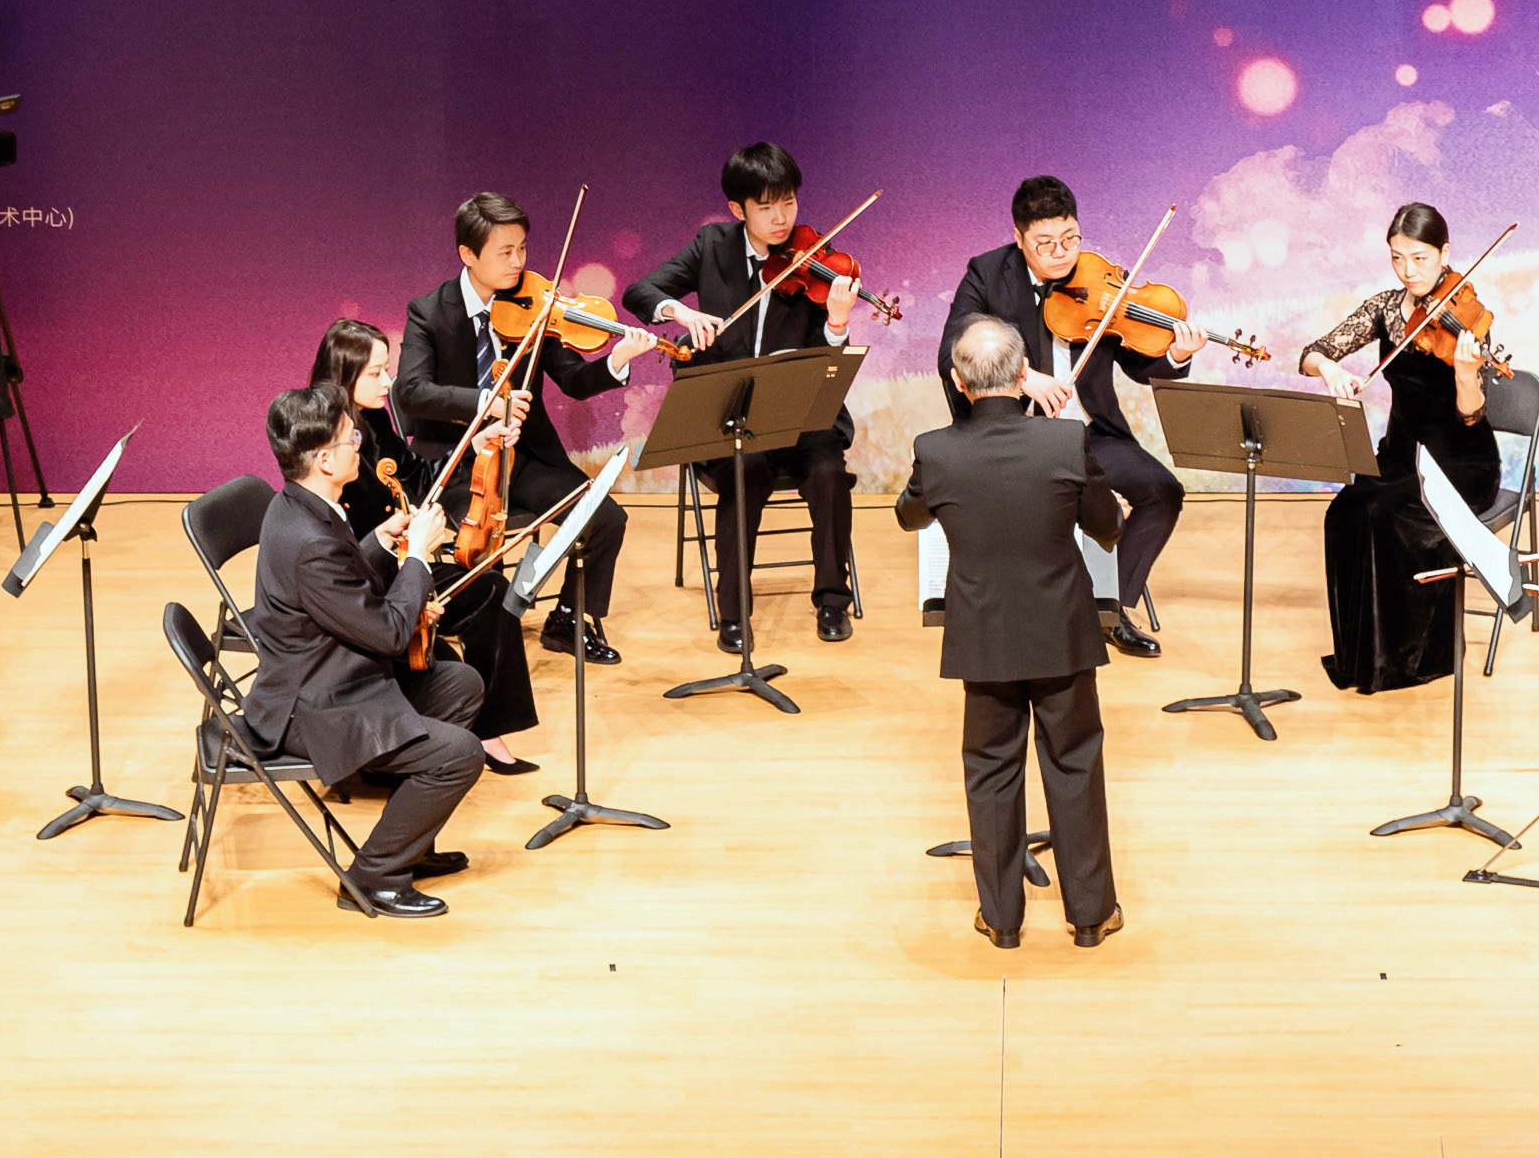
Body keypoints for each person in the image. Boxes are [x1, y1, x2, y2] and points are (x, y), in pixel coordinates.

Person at [898, 314, 1126, 950]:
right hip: (1062, 630)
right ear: (1025, 374)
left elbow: (909, 515)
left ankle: (1001, 920)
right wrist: (1109, 508)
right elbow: (1106, 526)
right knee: (1074, 762)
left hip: (982, 634)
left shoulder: (935, 449)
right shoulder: (1066, 441)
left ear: (958, 381)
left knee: (992, 769)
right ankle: (1091, 916)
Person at [240, 382, 486, 919]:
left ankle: (410, 842)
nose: (360, 442)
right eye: (350, 438)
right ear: (325, 460)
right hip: (313, 708)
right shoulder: (310, 540)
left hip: (336, 674)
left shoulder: (300, 504)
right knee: (461, 754)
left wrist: (381, 539)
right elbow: (390, 634)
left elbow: (344, 590)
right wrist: (417, 558)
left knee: (461, 683)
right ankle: (374, 877)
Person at [936, 175, 1204, 656]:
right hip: (1017, 437)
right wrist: (1021, 376)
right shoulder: (987, 273)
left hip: (1090, 435)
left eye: (1070, 238)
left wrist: (1177, 355)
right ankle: (1034, 609)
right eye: (1045, 243)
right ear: (1019, 238)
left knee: (1163, 492)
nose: (1061, 254)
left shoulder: (1098, 278)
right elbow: (953, 349)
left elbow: (1139, 363)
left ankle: (1106, 606)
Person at [395, 192, 658, 664]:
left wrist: (616, 360)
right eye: (505, 252)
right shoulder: (429, 312)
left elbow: (574, 380)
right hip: (456, 463)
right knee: (482, 539)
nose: (518, 262)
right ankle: (482, 627)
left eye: (522, 249)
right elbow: (412, 391)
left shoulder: (534, 305)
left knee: (605, 518)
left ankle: (568, 620)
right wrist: (487, 403)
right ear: (468, 254)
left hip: (524, 458)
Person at [624, 141, 863, 648]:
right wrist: (679, 311)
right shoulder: (711, 246)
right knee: (745, 468)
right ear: (738, 210)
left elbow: (826, 361)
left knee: (828, 470)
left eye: (789, 202)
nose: (781, 219)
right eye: (766, 206)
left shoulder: (813, 260)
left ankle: (832, 600)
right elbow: (639, 291)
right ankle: (734, 613)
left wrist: (838, 324)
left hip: (796, 414)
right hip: (728, 415)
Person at [312, 318, 540, 774]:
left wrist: (475, 445)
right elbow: (332, 545)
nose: (389, 382)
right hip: (364, 581)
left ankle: (489, 727)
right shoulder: (327, 439)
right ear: (344, 374)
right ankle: (450, 728)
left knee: (491, 589)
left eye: (387, 369)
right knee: (469, 613)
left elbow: (416, 475)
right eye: (376, 372)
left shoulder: (372, 417)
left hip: (401, 562)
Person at [1300, 203, 1512, 694]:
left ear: (1444, 254)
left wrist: (1466, 375)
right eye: (1398, 258)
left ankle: (1409, 660)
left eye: (1420, 258)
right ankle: (1362, 656)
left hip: (1460, 462)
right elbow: (1314, 352)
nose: (1408, 271)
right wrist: (1329, 370)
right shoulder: (1384, 309)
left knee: (1384, 515)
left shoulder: (1467, 316)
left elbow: (1471, 416)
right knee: (1344, 513)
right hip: (1400, 454)